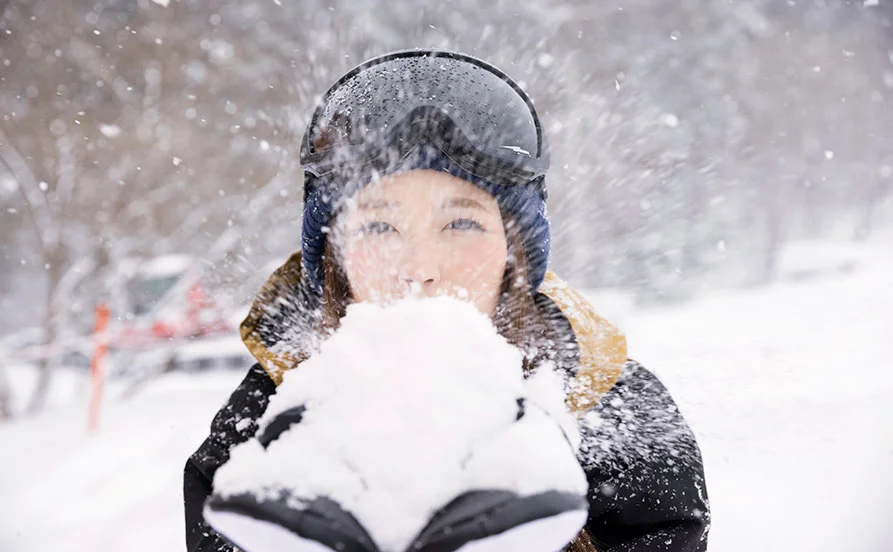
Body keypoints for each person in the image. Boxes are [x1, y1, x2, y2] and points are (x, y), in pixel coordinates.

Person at [184, 49, 710, 552]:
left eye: (461, 223)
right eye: (379, 227)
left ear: (514, 252)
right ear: (335, 257)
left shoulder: (618, 414)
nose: (420, 269)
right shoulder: (262, 430)